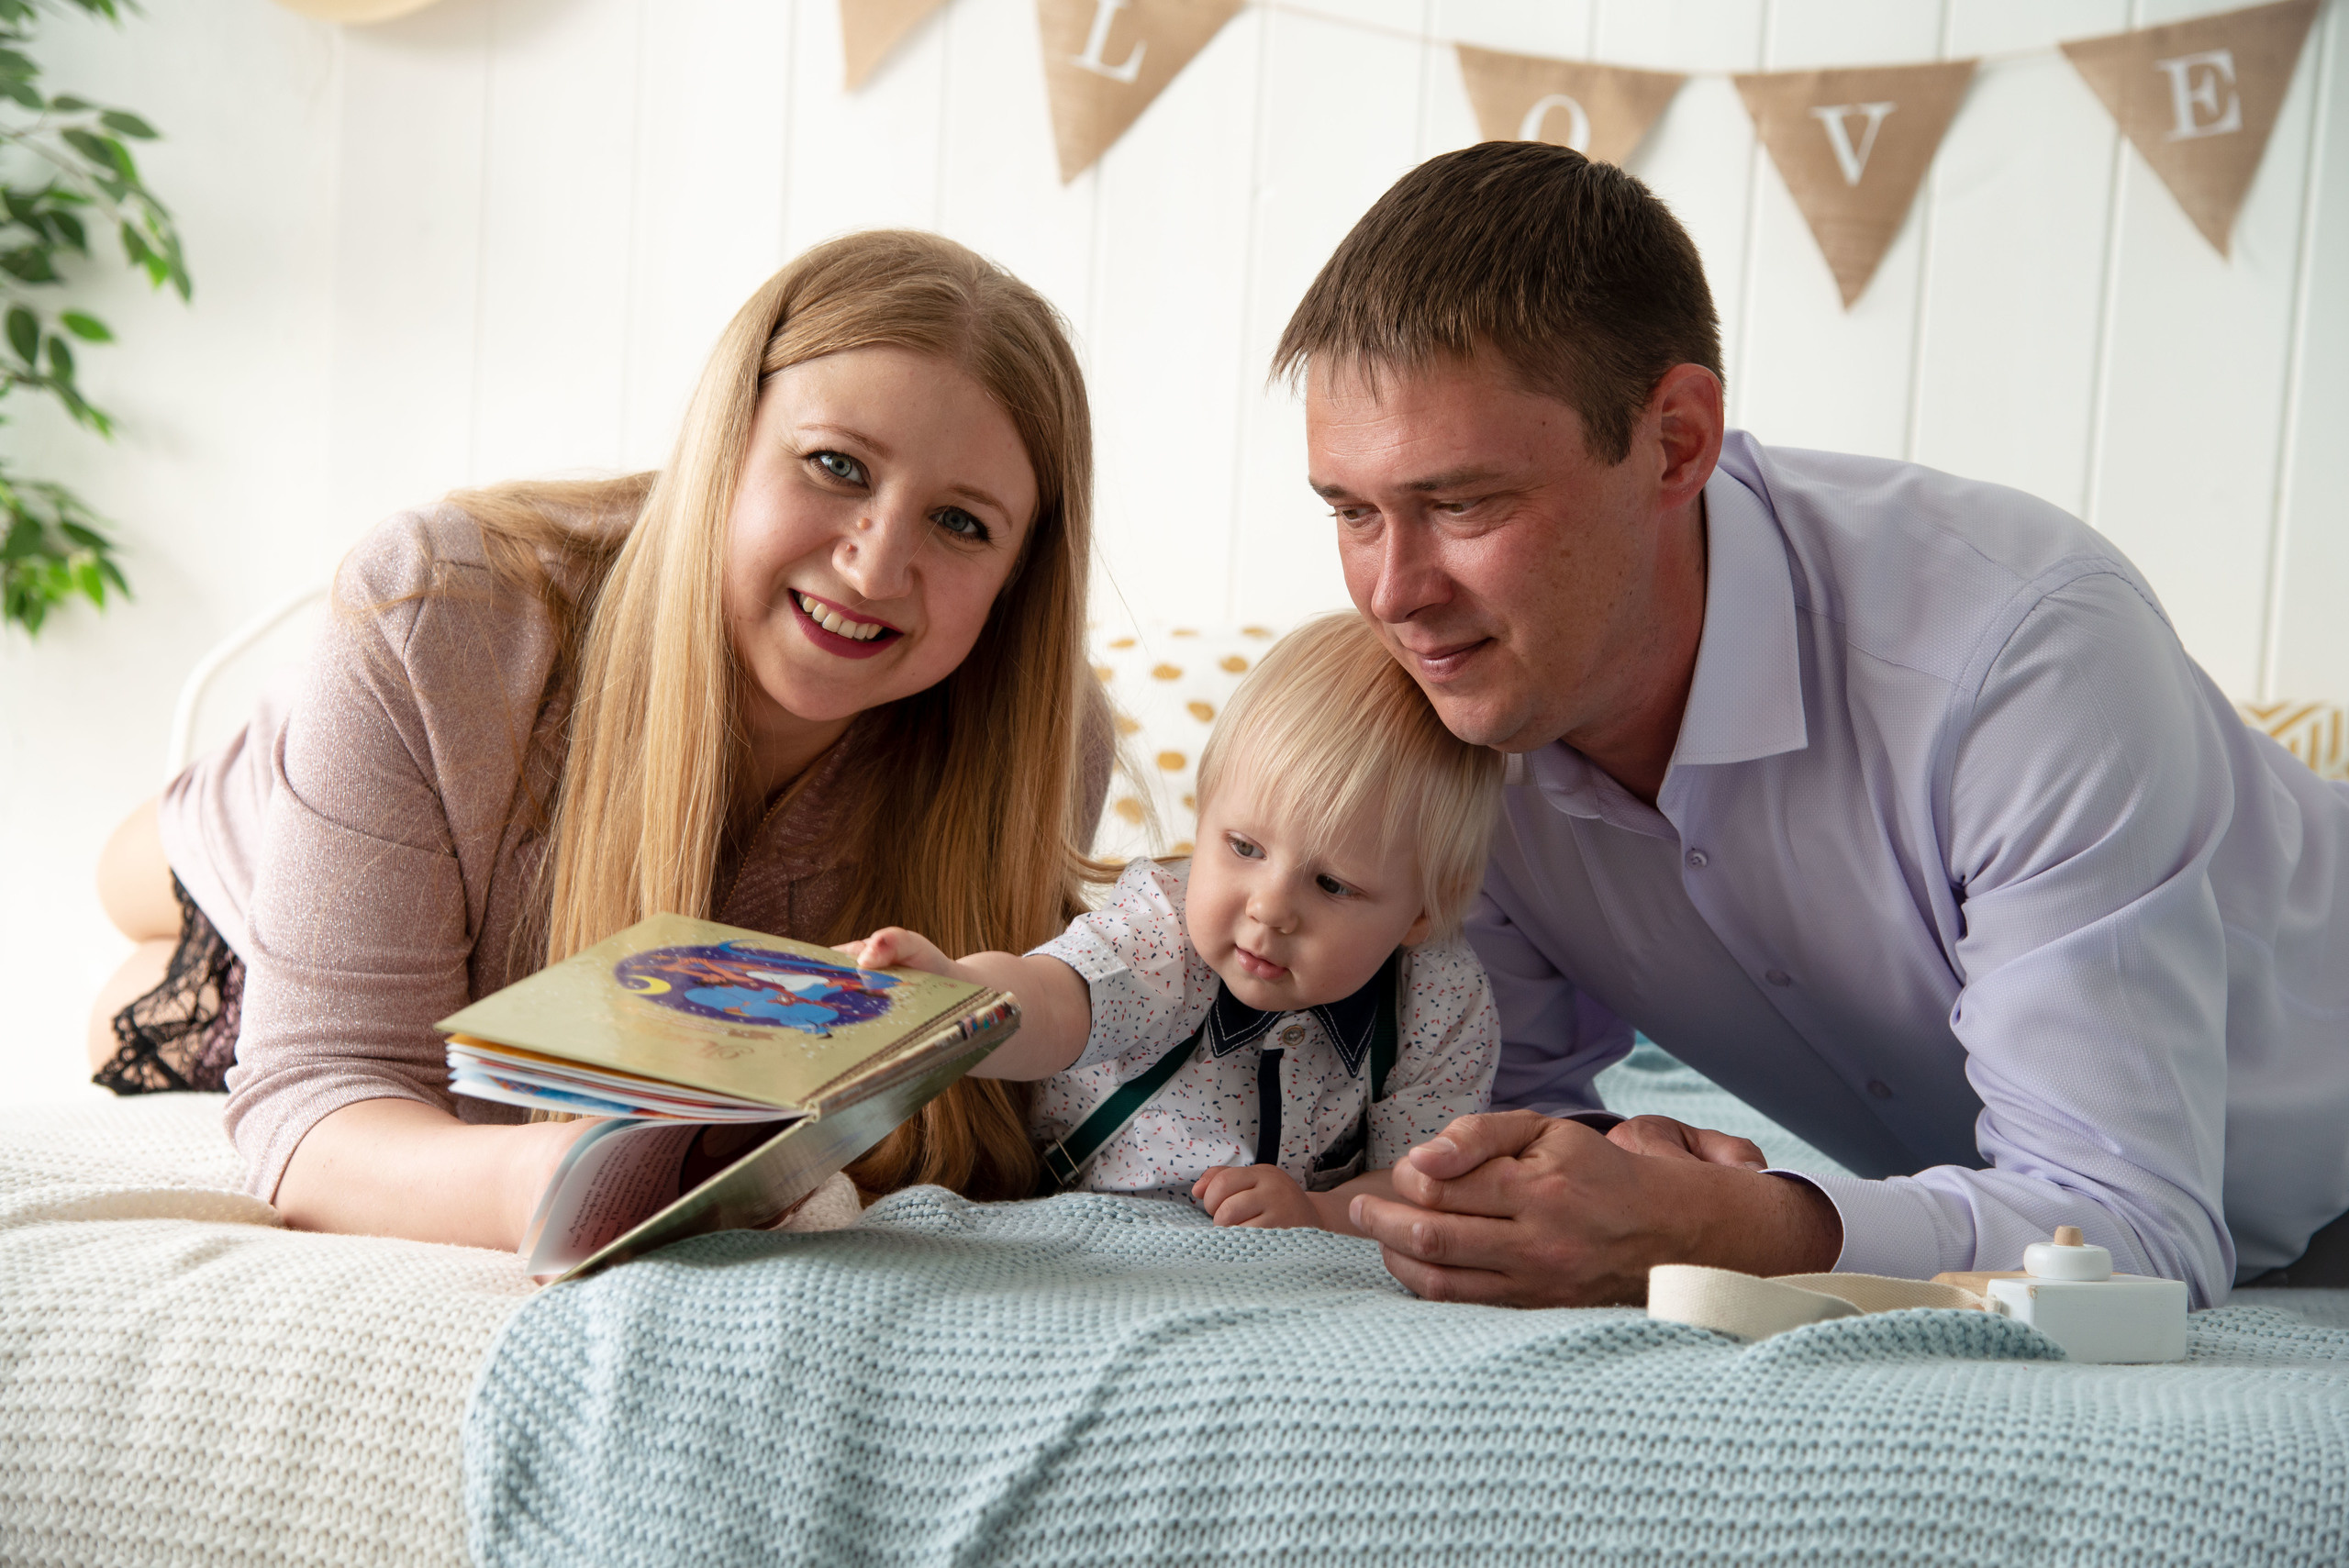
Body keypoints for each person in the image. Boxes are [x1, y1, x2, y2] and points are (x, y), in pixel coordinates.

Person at [1274, 141, 2349, 1309]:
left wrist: (1736, 1224)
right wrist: (1614, 1178)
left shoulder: (2022, 654)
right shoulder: (1459, 715)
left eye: (1462, 502)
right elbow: (1517, 1117)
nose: (1393, 593)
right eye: (1352, 513)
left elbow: (2131, 1227)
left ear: (1675, 441)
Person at [87, 230, 1111, 1249]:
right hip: (280, 812)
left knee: (143, 977)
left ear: (1023, 568)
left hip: (428, 815)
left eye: (962, 523)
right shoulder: (442, 605)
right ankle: (200, 827)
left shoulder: (1042, 740)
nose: (876, 565)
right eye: (835, 465)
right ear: (727, 443)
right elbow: (318, 1095)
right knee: (134, 926)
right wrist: (558, 1179)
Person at [843, 613, 1505, 1230]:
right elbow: (1053, 999)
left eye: (1333, 884)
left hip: (1292, 1254)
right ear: (1204, 816)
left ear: (1422, 910)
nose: (1269, 907)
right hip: (1088, 1218)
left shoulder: (1439, 997)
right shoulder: (1163, 927)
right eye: (1243, 847)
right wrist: (956, 998)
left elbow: (1422, 1180)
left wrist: (1319, 1212)